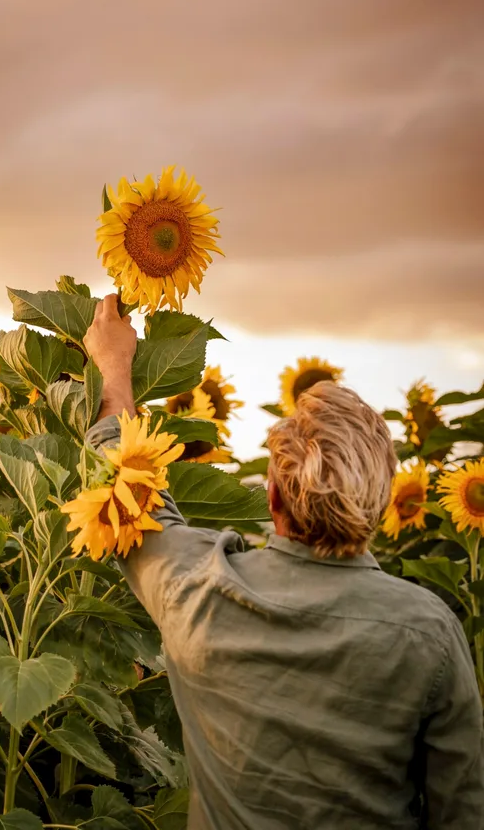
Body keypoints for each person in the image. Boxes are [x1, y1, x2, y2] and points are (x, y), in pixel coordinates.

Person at [83, 295, 484, 830]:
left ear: (272, 496)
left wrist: (113, 365)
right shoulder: (429, 632)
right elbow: (463, 812)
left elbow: (126, 489)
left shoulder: (197, 590)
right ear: (382, 500)